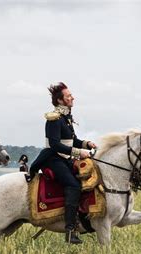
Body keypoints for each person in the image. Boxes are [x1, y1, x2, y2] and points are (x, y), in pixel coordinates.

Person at [28, 82, 97, 244]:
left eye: (71, 95)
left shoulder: (66, 117)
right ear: (60, 101)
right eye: (68, 96)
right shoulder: (54, 119)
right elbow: (55, 145)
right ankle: (70, 230)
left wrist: (87, 144)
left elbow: (71, 141)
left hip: (64, 158)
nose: (72, 98)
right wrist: (79, 152)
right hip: (52, 159)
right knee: (73, 185)